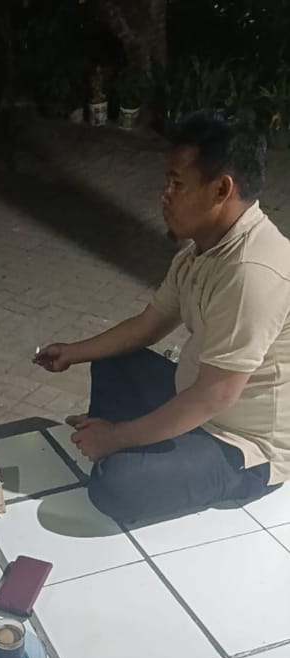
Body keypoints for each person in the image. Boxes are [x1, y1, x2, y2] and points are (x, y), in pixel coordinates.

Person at [35, 111, 289, 525]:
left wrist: (116, 437)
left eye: (177, 184)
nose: (164, 195)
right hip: (194, 396)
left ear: (221, 189)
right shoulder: (200, 252)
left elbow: (215, 397)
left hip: (243, 442)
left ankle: (124, 448)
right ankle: (132, 443)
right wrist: (73, 352)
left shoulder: (253, 273)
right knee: (113, 360)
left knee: (118, 487)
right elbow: (148, 324)